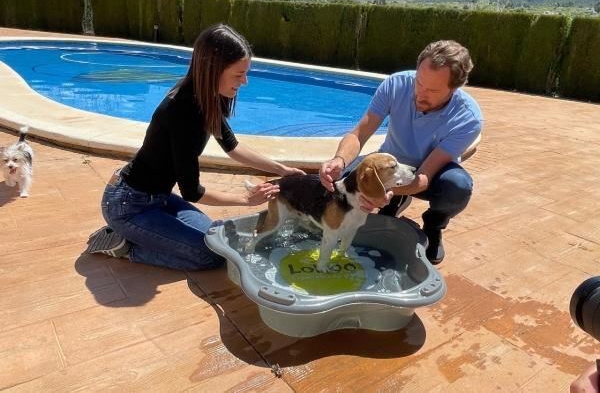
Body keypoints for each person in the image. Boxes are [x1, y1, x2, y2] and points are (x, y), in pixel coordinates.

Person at [85, 23, 304, 271]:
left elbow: (233, 147)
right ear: (214, 70)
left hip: (160, 198)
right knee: (209, 256)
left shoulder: (206, 95)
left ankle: (147, 234)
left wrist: (283, 169)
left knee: (216, 240)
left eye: (245, 73)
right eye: (238, 74)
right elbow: (192, 191)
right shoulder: (184, 111)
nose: (244, 81)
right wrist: (244, 199)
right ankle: (124, 245)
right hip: (128, 205)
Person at [320, 40, 483, 265]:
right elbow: (359, 133)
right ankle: (392, 200)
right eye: (419, 83)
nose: (420, 94)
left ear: (455, 88)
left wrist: (383, 193)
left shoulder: (468, 118)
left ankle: (433, 226)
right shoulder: (396, 85)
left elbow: (424, 176)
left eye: (432, 90)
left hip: (431, 174)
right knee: (338, 180)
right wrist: (339, 160)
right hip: (389, 164)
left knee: (458, 187)